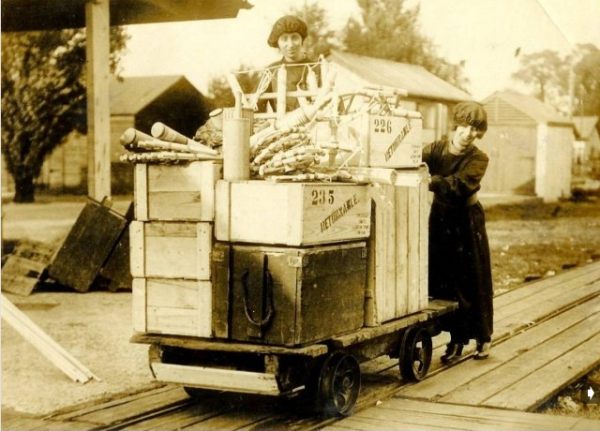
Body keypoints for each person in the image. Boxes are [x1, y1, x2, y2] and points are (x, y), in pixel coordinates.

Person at [423, 101, 494, 362]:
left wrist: (430, 180)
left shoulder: (478, 159)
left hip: (467, 221)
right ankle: (455, 340)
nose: (469, 134)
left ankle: (482, 338)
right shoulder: (435, 149)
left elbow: (459, 185)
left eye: (475, 131)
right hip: (440, 218)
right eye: (465, 127)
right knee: (442, 278)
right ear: (456, 125)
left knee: (471, 280)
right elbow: (410, 161)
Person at [261, 15, 321, 112]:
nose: (290, 44)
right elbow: (255, 107)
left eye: (295, 38)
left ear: (302, 40)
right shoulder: (271, 71)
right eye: (284, 39)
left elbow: (335, 106)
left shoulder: (317, 67)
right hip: (283, 125)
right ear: (277, 43)